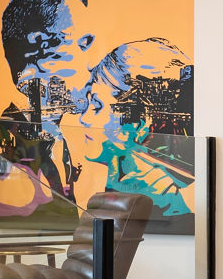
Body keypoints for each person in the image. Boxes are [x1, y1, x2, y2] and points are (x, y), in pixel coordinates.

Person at [0, 0, 96, 215]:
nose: (92, 63)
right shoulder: (8, 146)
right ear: (39, 48)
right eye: (82, 44)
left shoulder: (57, 140)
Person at [72, 38, 195, 217]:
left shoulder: (161, 202)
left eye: (97, 106)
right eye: (88, 101)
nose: (84, 118)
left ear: (141, 124)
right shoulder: (108, 182)